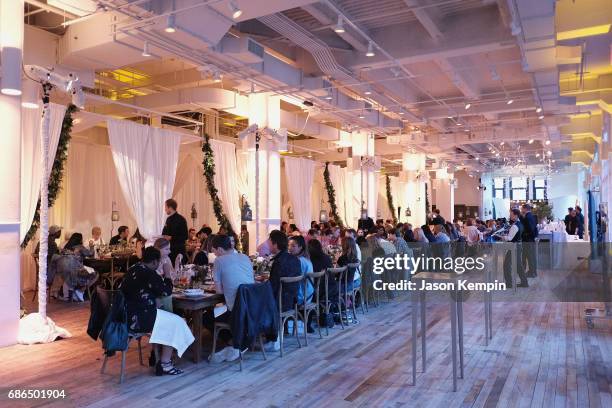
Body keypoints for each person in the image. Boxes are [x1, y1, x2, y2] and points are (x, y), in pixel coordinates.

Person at [121, 247, 194, 376]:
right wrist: (167, 275)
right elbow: (166, 292)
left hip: (125, 315)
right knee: (175, 321)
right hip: (140, 318)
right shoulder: (149, 273)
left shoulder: (133, 268)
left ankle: (158, 357)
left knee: (169, 319)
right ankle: (165, 363)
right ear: (155, 262)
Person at [206, 235, 255, 363]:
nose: (214, 254)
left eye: (214, 251)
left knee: (207, 317)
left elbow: (219, 291)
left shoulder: (219, 261)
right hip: (253, 307)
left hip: (237, 311)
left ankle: (233, 343)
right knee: (220, 312)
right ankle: (238, 340)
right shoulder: (244, 256)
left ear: (220, 249)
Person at [266, 230, 301, 350]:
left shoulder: (279, 262)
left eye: (269, 242)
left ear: (275, 244)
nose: (268, 245)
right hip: (291, 301)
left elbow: (272, 287)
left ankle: (269, 338)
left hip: (279, 303)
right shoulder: (295, 259)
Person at [59, 232, 97, 302]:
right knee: (95, 274)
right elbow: (90, 254)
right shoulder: (80, 247)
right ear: (80, 240)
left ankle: (67, 295)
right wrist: (92, 246)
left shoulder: (66, 247)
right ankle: (80, 290)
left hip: (65, 270)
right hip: (77, 270)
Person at [501, 208, 528, 288]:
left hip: (514, 247)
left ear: (515, 215)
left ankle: (509, 284)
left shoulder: (515, 226)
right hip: (518, 246)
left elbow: (509, 238)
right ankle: (524, 283)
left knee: (507, 265)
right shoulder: (519, 224)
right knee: (518, 266)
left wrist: (502, 237)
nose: (510, 215)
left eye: (511, 214)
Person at [288, 235, 314, 305]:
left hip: (302, 297)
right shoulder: (306, 258)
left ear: (300, 247)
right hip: (309, 295)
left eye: (293, 246)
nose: (290, 248)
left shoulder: (299, 261)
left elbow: (295, 280)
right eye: (289, 245)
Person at [162, 198, 188, 264]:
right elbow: (164, 232)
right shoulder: (168, 219)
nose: (165, 209)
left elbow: (185, 236)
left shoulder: (181, 219)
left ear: (170, 207)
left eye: (165, 207)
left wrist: (171, 238)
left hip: (178, 251)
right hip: (169, 250)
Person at [153, 238, 174, 312]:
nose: (170, 251)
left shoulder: (166, 259)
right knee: (167, 298)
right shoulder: (153, 263)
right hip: (156, 297)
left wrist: (177, 262)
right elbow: (165, 290)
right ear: (158, 249)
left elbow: (173, 277)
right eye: (167, 249)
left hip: (162, 292)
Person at [520, 204, 538, 278]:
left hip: (528, 240)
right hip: (531, 239)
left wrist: (524, 234)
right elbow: (535, 228)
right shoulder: (532, 216)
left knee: (530, 257)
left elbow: (530, 229)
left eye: (522, 209)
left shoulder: (527, 217)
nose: (521, 210)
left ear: (525, 209)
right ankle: (533, 272)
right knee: (532, 257)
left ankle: (532, 273)